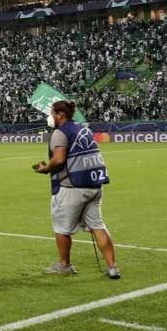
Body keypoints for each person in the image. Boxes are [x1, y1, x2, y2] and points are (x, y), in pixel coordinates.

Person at [33, 100, 120, 279]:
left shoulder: (60, 132)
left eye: (52, 113)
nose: (50, 117)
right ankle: (112, 267)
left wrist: (46, 168)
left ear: (60, 115)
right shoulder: (82, 129)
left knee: (62, 229)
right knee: (98, 226)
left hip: (71, 187)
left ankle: (64, 265)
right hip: (94, 185)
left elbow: (59, 159)